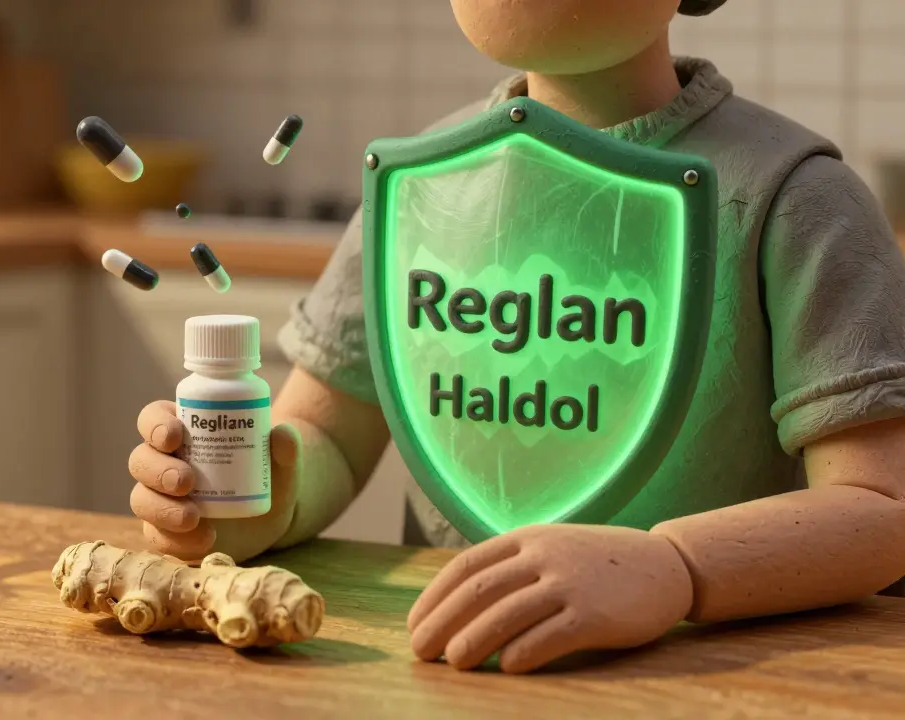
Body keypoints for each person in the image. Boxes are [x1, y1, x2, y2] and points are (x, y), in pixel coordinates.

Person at [126, 0, 905, 673]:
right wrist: (258, 493)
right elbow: (326, 435)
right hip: (446, 667)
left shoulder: (796, 199)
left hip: (713, 679)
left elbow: (878, 509)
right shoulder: (419, 186)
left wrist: (675, 568)